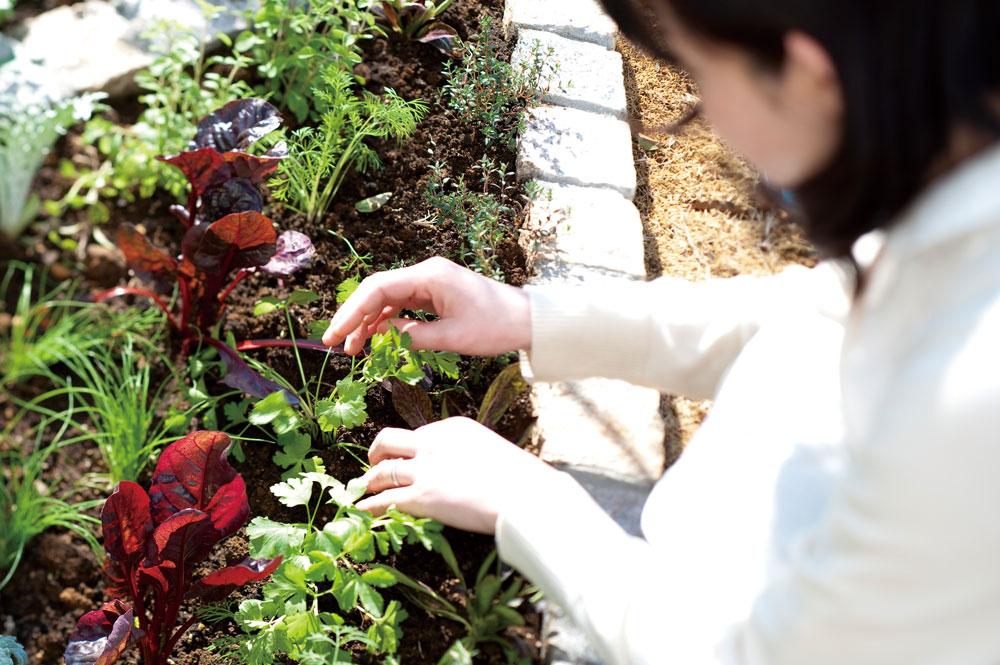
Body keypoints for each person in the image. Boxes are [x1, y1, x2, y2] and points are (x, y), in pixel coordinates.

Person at [323, 0, 1000, 662]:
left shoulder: (967, 401)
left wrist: (525, 498)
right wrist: (527, 315)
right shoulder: (956, 205)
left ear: (808, 74)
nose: (711, 119)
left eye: (701, 74)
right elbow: (807, 317)